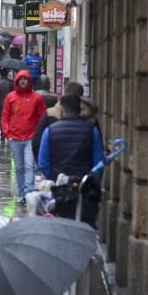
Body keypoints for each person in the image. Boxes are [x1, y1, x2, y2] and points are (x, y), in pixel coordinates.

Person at [38, 93, 104, 226]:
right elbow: (99, 163)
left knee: (61, 225)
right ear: (79, 109)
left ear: (62, 110)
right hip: (84, 190)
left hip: (60, 191)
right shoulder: (92, 131)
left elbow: (43, 162)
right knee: (84, 225)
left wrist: (56, 177)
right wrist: (90, 182)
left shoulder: (50, 131)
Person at [1, 70, 47, 205]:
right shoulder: (10, 97)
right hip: (15, 138)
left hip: (30, 138)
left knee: (29, 166)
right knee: (19, 167)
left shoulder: (36, 98)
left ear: (29, 81)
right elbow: (5, 116)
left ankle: (28, 192)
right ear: (16, 81)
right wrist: (7, 132)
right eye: (20, 79)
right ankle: (21, 193)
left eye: (25, 79)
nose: (23, 81)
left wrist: (38, 134)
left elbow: (41, 117)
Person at [32, 81, 100, 161]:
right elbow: (98, 148)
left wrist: (44, 167)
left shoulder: (50, 113)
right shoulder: (91, 118)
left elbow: (37, 142)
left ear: (65, 93)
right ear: (81, 96)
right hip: (84, 169)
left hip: (56, 167)